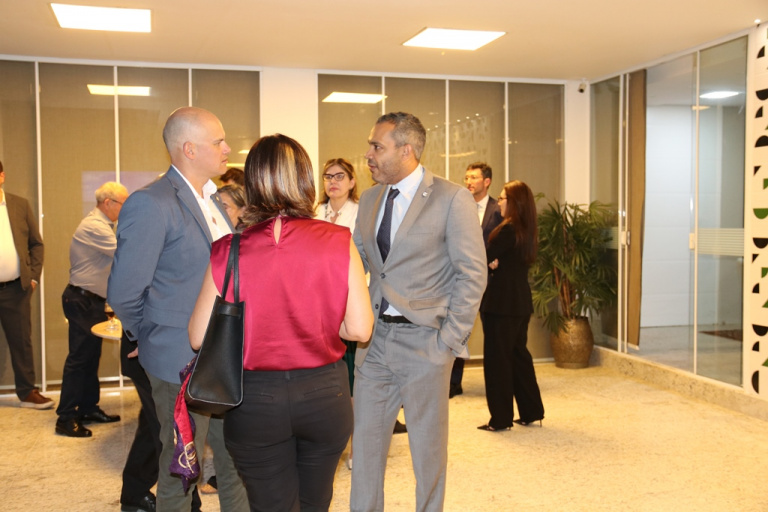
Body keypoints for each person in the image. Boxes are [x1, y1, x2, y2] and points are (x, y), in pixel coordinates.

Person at [188, 134, 373, 511]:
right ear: (305, 179)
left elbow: (197, 337)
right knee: (315, 502)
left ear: (253, 184)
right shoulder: (338, 240)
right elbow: (359, 329)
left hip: (255, 400)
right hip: (325, 394)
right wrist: (323, 325)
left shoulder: (229, 249)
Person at [107, 106, 248, 511]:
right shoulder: (151, 203)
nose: (227, 149)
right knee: (181, 474)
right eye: (218, 142)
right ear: (189, 149)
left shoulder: (214, 200)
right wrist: (148, 334)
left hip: (223, 357)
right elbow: (124, 290)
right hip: (178, 360)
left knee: (234, 463)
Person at [350, 112, 487, 512]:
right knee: (365, 447)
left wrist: (449, 340)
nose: (368, 154)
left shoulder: (452, 198)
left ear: (406, 150)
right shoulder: (371, 199)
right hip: (374, 343)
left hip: (426, 342)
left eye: (377, 146)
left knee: (427, 453)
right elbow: (357, 259)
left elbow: (472, 273)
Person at [55, 182, 127, 438]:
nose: (125, 208)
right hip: (81, 300)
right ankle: (65, 417)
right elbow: (124, 253)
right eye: (123, 203)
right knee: (79, 359)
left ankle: (88, 408)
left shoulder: (103, 225)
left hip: (92, 301)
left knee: (90, 357)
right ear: (108, 202)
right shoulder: (95, 226)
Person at [477, 180, 545, 432]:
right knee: (518, 357)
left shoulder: (507, 229)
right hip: (519, 302)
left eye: (503, 198)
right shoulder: (526, 229)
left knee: (498, 362)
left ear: (514, 202)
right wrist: (495, 262)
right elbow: (504, 260)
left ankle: (500, 418)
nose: (499, 203)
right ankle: (531, 410)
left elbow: (484, 256)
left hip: (500, 303)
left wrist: (492, 262)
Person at [0, 160, 51, 410]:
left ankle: (27, 391)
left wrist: (33, 277)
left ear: (2, 176)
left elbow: (36, 243)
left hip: (15, 290)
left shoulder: (19, 205)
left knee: (21, 341)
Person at [450, 162, 503, 398]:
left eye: (474, 177)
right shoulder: (459, 207)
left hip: (491, 284)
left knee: (493, 335)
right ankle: (453, 383)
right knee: (458, 331)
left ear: (487, 181)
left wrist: (497, 258)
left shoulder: (498, 209)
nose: (469, 182)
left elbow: (506, 240)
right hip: (462, 281)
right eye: (467, 177)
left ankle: (497, 384)